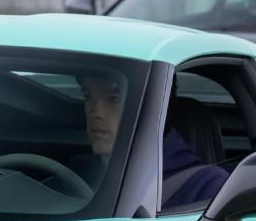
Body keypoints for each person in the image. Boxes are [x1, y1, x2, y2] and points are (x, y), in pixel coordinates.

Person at [75, 74, 229, 209]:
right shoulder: (78, 175)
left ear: (156, 107)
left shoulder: (209, 187)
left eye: (114, 99)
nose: (97, 112)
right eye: (88, 97)